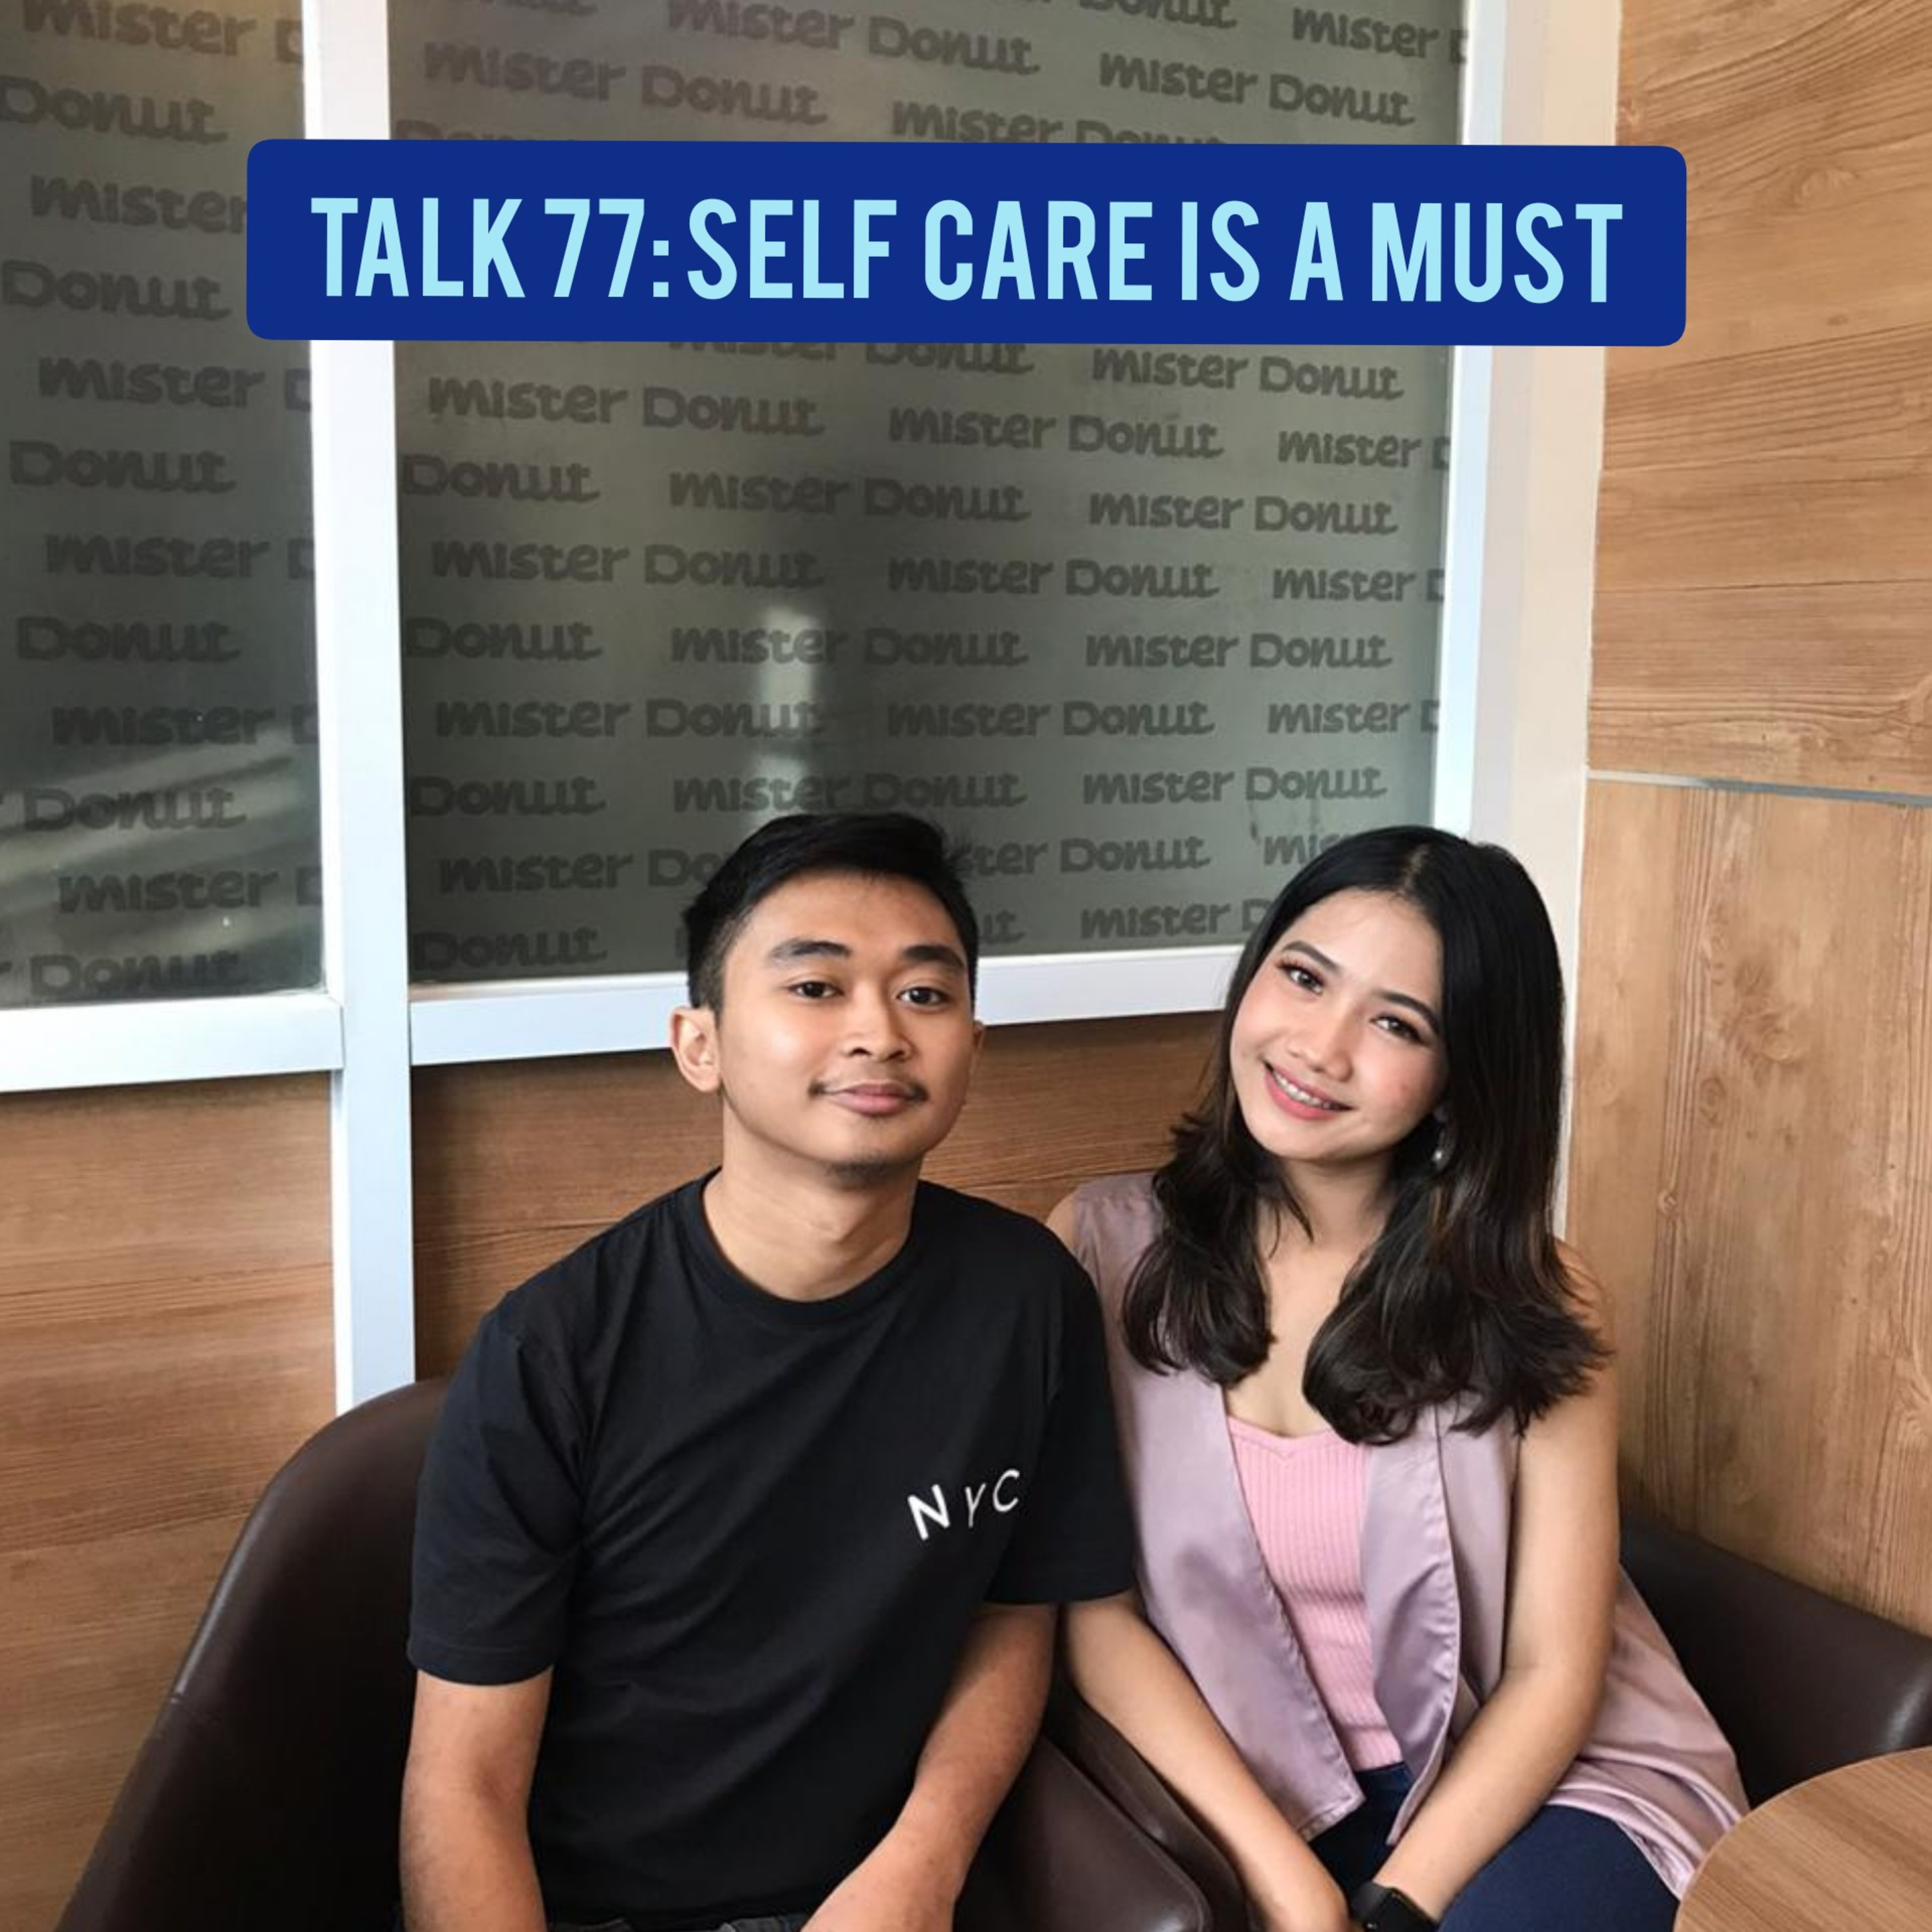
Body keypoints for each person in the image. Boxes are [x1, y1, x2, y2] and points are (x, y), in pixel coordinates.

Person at [402, 812, 1135, 1932]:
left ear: (973, 1047)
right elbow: (464, 1787)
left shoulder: (1027, 1297)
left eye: (925, 994)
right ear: (699, 1045)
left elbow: (1012, 1612)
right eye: (815, 988)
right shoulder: (552, 1353)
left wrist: (923, 1865)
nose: (880, 1033)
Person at [1048, 826, 1745, 1932]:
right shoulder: (1102, 1251)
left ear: (1463, 1078)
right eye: (1304, 977)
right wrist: (1285, 1880)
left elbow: (1556, 1673)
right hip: (1264, 1790)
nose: (1320, 1048)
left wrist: (1402, 1904)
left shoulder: (1536, 1294)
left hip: (1537, 1784)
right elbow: (1101, 1623)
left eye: (1396, 1024)